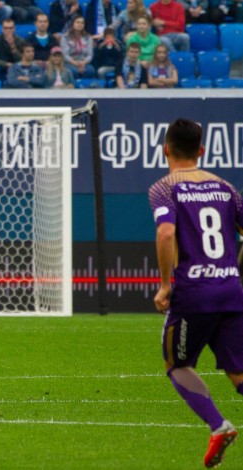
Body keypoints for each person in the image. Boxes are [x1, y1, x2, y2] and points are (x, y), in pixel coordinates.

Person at [149, 118, 243, 469]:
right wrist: (234, 271)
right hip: (230, 289)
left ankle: (219, 426)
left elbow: (165, 234)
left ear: (166, 150)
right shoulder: (226, 188)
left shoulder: (164, 188)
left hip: (194, 292)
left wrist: (165, 285)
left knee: (178, 364)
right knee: (239, 374)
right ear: (202, 150)